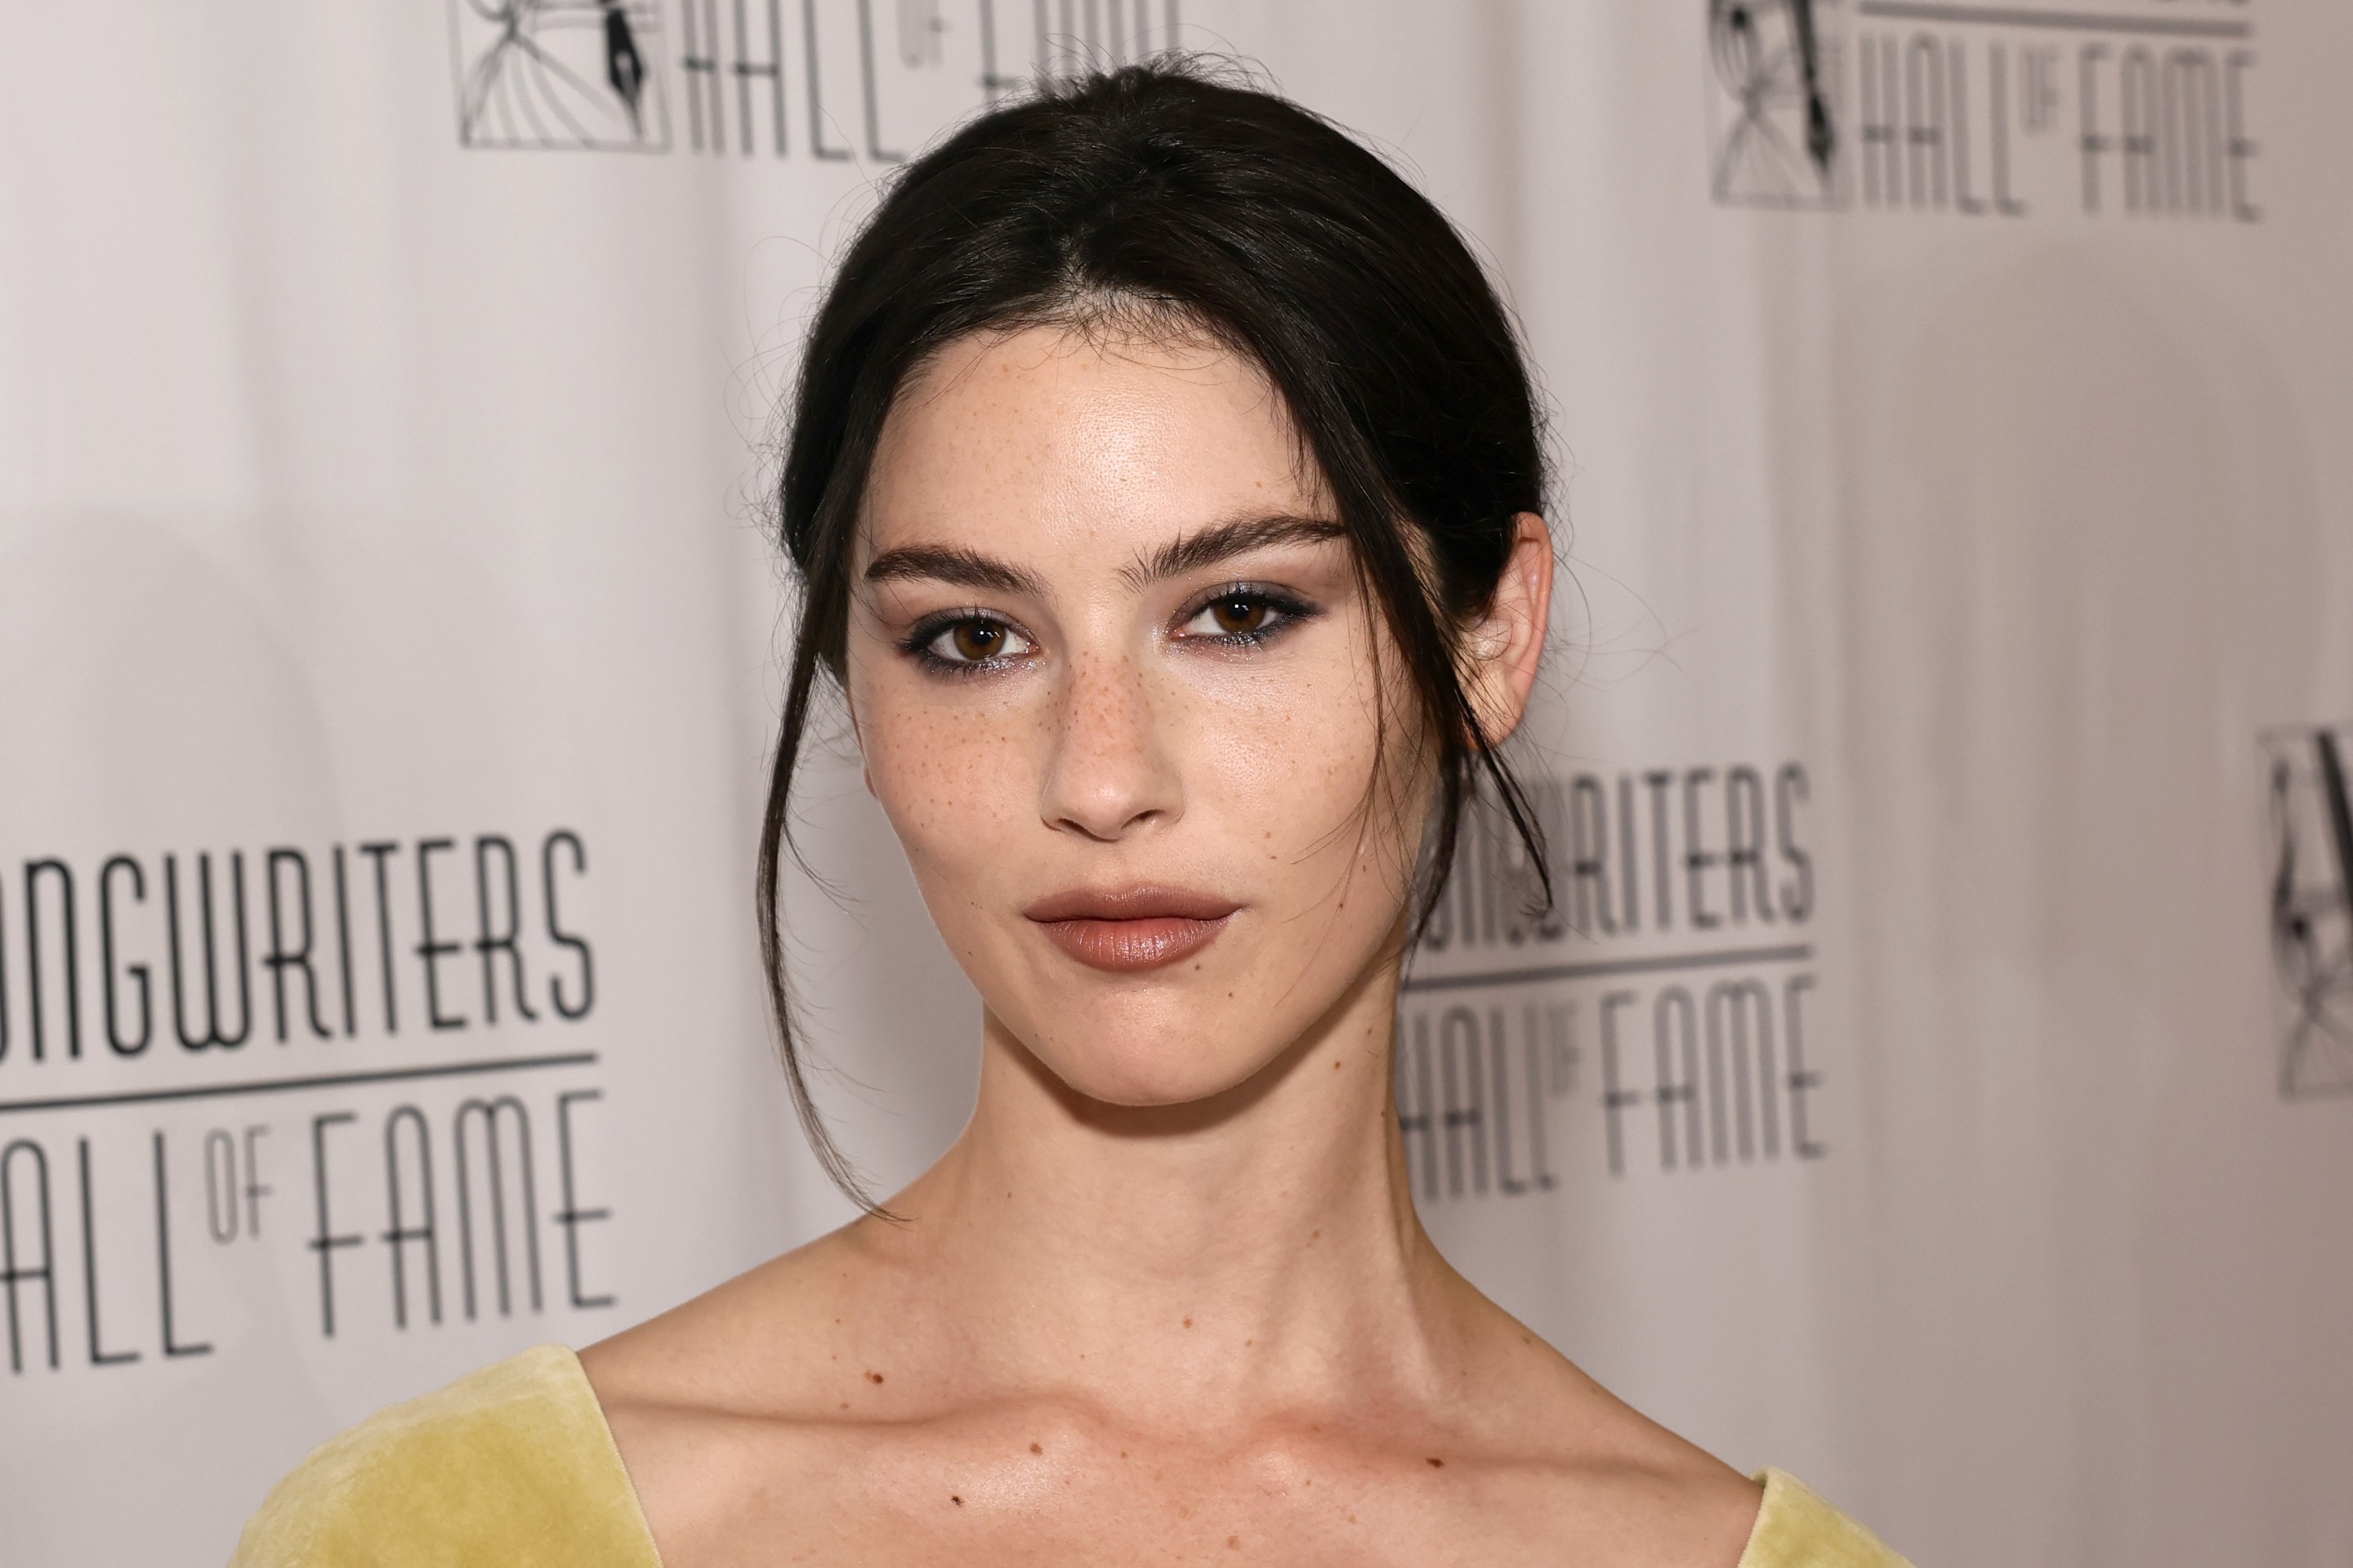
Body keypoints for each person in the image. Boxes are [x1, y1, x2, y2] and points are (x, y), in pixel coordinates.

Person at [231, 60, 1909, 1567]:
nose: (1100, 781)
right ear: (852, 685)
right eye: (974, 640)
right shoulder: (463, 1537)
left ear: (1492, 636)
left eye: (1239, 613)